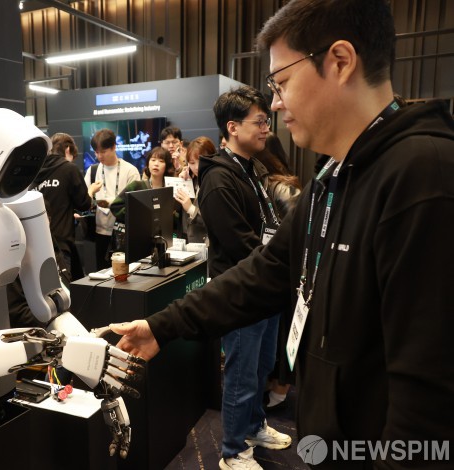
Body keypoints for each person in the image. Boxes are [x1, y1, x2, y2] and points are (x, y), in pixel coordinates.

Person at [111, 1, 454, 469]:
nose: (275, 105)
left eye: (282, 82)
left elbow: (427, 411)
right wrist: (161, 326)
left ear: (340, 61)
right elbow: (264, 272)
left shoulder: (424, 176)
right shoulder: (333, 177)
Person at [191, 85, 289, 470]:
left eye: (267, 121)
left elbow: (266, 227)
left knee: (261, 368)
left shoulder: (252, 169)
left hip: (264, 287)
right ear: (232, 127)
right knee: (241, 374)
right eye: (259, 122)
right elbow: (238, 242)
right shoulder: (219, 179)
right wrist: (275, 264)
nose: (267, 128)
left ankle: (253, 426)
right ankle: (232, 452)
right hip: (241, 291)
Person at [253, 132, 302, 412]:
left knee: (283, 334)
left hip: (285, 272)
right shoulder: (261, 184)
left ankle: (281, 386)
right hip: (274, 269)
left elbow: (298, 230)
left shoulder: (280, 186)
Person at [31, 132, 101, 280]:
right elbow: (84, 204)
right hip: (61, 243)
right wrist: (91, 191)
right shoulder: (69, 169)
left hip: (37, 242)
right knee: (62, 288)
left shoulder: (35, 171)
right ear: (68, 150)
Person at [84, 129, 140, 270]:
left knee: (124, 273)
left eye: (103, 152)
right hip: (100, 233)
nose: (99, 156)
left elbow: (135, 204)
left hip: (123, 232)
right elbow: (84, 199)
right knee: (102, 273)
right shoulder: (92, 171)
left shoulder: (130, 171)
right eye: (96, 152)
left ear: (114, 147)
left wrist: (112, 202)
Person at [175, 136, 214, 243]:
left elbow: (215, 221)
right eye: (192, 163)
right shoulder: (192, 178)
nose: (197, 167)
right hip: (187, 240)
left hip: (208, 244)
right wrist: (183, 183)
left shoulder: (215, 182)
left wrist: (191, 208)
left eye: (201, 161)